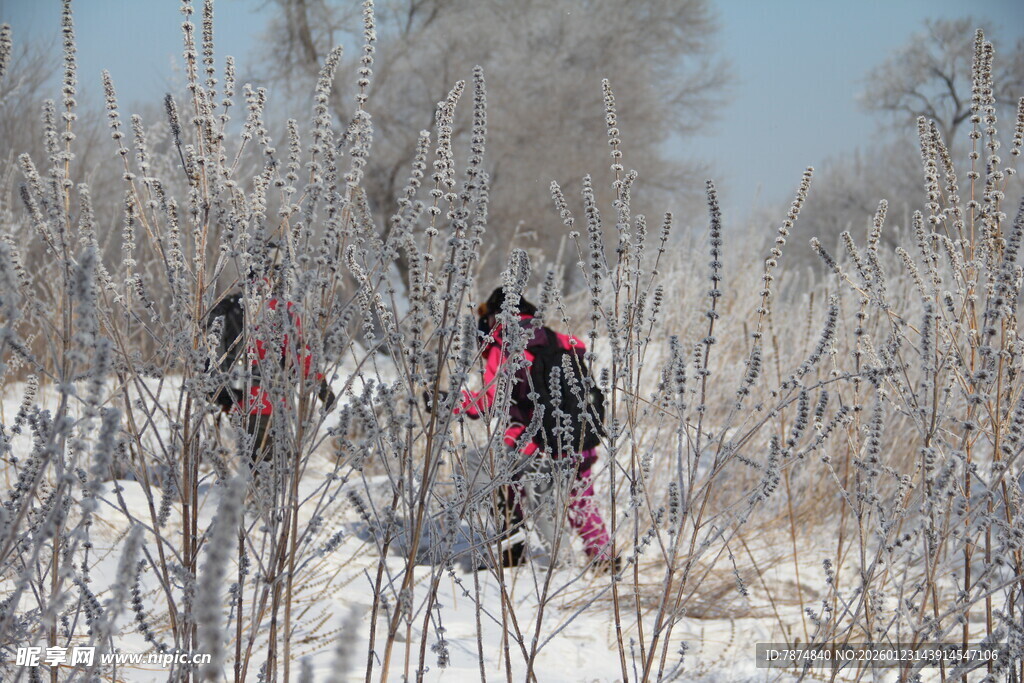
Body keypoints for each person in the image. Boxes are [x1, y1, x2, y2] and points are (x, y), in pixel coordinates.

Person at [444, 287, 615, 570]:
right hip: (579, 433)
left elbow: (488, 401)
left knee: (499, 478)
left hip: (536, 440)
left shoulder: (505, 346)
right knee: (579, 496)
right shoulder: (557, 339)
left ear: (494, 317)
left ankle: (515, 548)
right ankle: (604, 558)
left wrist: (450, 401)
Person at [207, 266, 335, 469]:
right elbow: (301, 354)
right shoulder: (283, 310)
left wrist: (216, 393)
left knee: (250, 461)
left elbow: (209, 350)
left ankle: (249, 486)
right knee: (271, 466)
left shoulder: (228, 306)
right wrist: (323, 388)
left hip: (232, 400)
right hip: (270, 400)